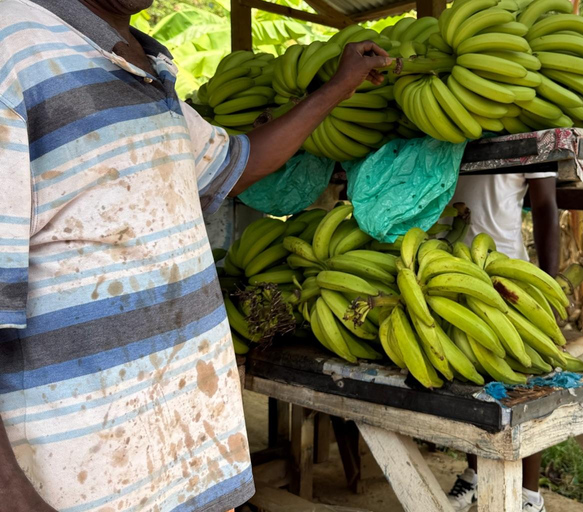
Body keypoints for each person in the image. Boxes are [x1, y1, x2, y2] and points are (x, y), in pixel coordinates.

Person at [0, 1, 390, 510]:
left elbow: (236, 161)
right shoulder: (14, 43)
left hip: (183, 454)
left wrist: (339, 87)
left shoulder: (144, 69)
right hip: (78, 476)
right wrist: (11, 493)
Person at [446, 170, 560, 512]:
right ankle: (475, 473)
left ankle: (529, 495)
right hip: (453, 275)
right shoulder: (448, 127)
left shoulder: (526, 128)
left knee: (524, 389)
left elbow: (544, 204)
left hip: (509, 278)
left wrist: (548, 287)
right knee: (471, 382)